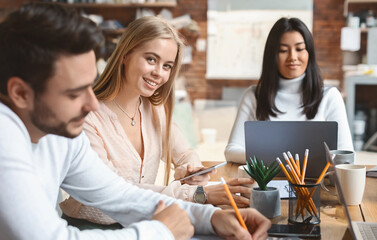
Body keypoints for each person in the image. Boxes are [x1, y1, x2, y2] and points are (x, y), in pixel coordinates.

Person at [0, 3, 271, 240]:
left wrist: (209, 218)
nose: (92, 103)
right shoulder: (5, 138)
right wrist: (162, 232)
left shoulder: (58, 132)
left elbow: (121, 195)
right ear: (21, 93)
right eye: (74, 93)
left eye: (88, 86)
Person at [60, 16, 254, 226]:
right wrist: (199, 193)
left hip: (143, 223)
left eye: (167, 66)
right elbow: (116, 191)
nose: (159, 74)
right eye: (151, 59)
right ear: (125, 54)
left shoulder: (155, 109)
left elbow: (187, 154)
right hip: (90, 229)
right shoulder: (87, 117)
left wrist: (192, 172)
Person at [225, 17, 353, 164]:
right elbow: (231, 151)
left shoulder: (330, 97)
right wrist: (282, 160)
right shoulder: (254, 96)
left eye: (299, 49)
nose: (292, 57)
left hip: (318, 184)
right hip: (265, 185)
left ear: (309, 53)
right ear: (272, 55)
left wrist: (271, 156)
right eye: (283, 50)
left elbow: (347, 156)